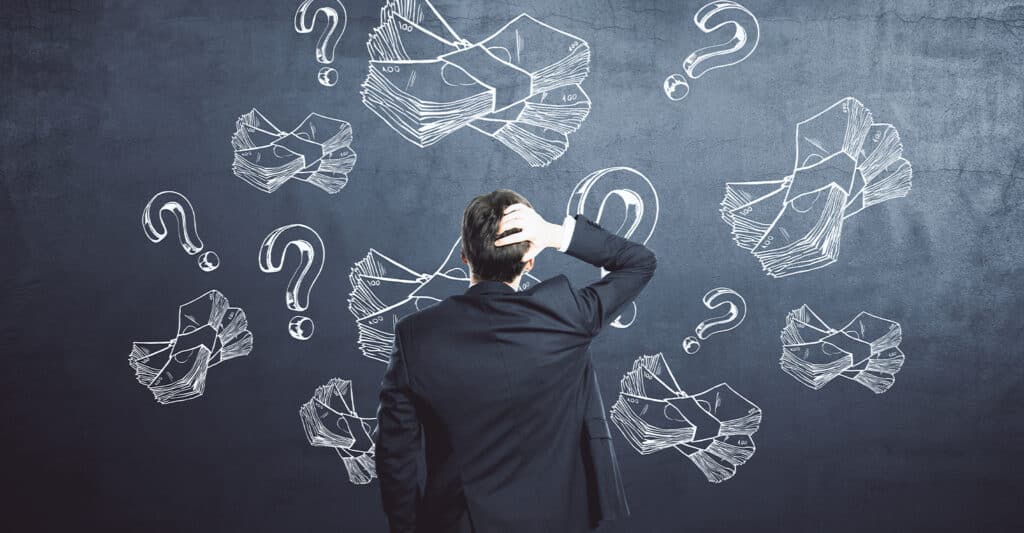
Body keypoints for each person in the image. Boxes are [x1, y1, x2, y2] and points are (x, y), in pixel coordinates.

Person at [374, 189, 657, 533]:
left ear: (464, 255)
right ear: (530, 260)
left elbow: (395, 459)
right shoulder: (567, 315)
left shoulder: (415, 336)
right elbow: (639, 262)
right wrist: (553, 234)